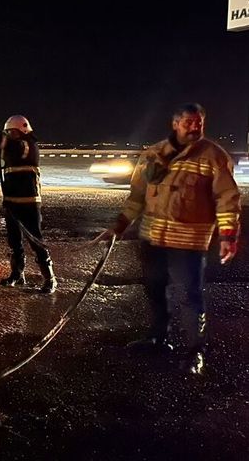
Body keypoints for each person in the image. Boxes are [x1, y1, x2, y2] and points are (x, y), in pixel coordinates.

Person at [95, 103, 240, 375]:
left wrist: (228, 236)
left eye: (199, 122)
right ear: (175, 124)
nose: (194, 127)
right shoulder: (153, 155)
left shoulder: (213, 157)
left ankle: (195, 352)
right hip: (152, 238)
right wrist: (119, 226)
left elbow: (227, 199)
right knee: (155, 290)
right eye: (188, 122)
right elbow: (137, 198)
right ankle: (157, 338)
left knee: (189, 297)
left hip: (189, 242)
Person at [0, 115, 57, 294]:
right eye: (7, 132)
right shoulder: (11, 146)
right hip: (12, 201)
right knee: (14, 240)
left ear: (23, 130)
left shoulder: (28, 145)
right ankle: (17, 274)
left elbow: (10, 148)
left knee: (35, 240)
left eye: (12, 132)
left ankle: (49, 278)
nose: (9, 135)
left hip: (29, 202)